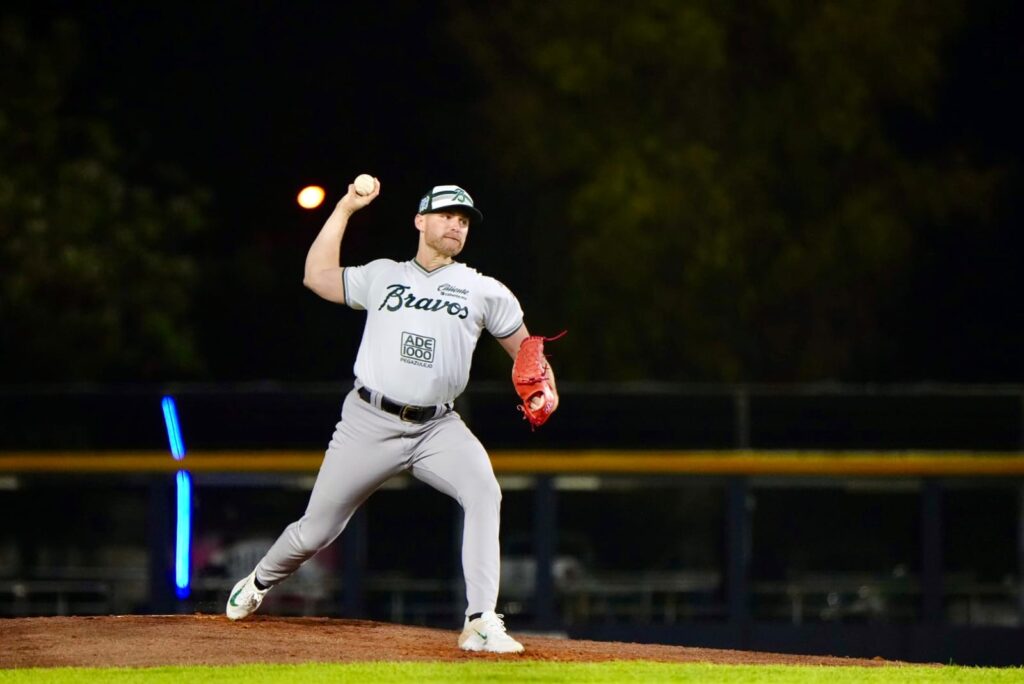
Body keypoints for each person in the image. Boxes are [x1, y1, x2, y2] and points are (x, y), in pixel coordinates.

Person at [225, 179, 558, 654]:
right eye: (446, 215)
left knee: (485, 492)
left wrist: (544, 388)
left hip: (437, 428)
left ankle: (480, 621)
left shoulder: (484, 290)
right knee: (317, 530)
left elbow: (527, 354)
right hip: (369, 421)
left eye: (463, 220)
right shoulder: (382, 275)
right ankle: (259, 580)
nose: (456, 225)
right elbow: (316, 277)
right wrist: (344, 209)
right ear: (420, 221)